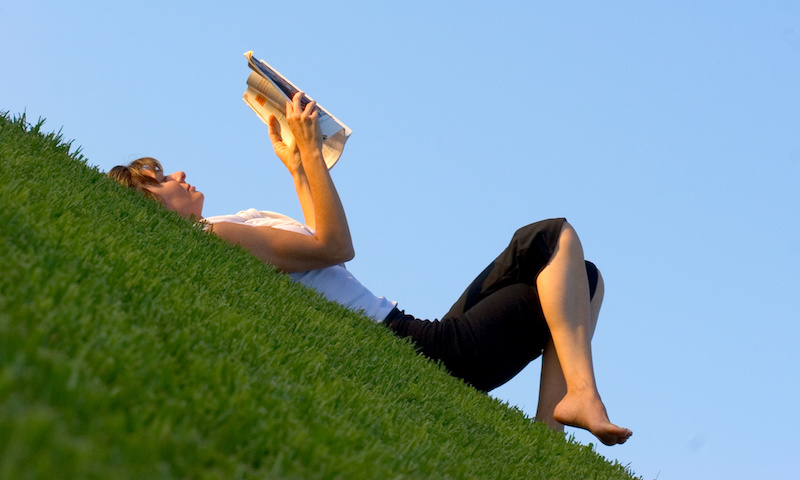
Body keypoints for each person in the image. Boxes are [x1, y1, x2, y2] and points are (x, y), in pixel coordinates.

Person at [108, 92, 632, 446]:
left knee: (579, 275)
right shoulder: (213, 236)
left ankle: (549, 434)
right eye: (158, 178)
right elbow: (336, 246)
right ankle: (577, 400)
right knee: (549, 239)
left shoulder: (228, 226)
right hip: (417, 347)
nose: (176, 173)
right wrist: (312, 152)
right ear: (149, 203)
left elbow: (313, 243)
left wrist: (296, 166)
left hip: (413, 335)